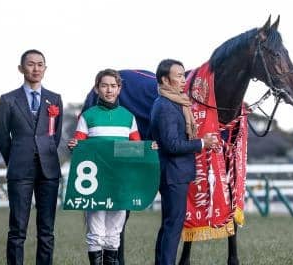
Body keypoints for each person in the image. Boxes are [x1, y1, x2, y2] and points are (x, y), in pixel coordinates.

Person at [68, 69, 142, 265]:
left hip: (120, 182)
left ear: (119, 89)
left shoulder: (128, 117)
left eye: (113, 86)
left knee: (114, 233)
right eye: (104, 85)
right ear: (96, 89)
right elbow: (79, 146)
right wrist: (74, 146)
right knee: (96, 232)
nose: (109, 90)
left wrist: (148, 149)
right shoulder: (87, 116)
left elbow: (136, 149)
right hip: (95, 183)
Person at [0, 49, 63, 265]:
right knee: (17, 229)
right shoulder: (8, 100)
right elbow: (2, 136)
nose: (36, 68)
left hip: (48, 170)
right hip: (19, 168)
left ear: (45, 68)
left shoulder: (55, 99)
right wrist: (15, 159)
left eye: (40, 64)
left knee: (47, 230)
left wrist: (45, 153)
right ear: (21, 68)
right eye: (31, 64)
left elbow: (55, 135)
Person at [150, 59, 218, 265]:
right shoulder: (165, 106)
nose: (183, 80)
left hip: (176, 173)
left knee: (169, 225)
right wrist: (202, 143)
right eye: (178, 76)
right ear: (165, 80)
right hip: (173, 174)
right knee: (173, 226)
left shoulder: (175, 102)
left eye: (183, 75)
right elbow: (172, 145)